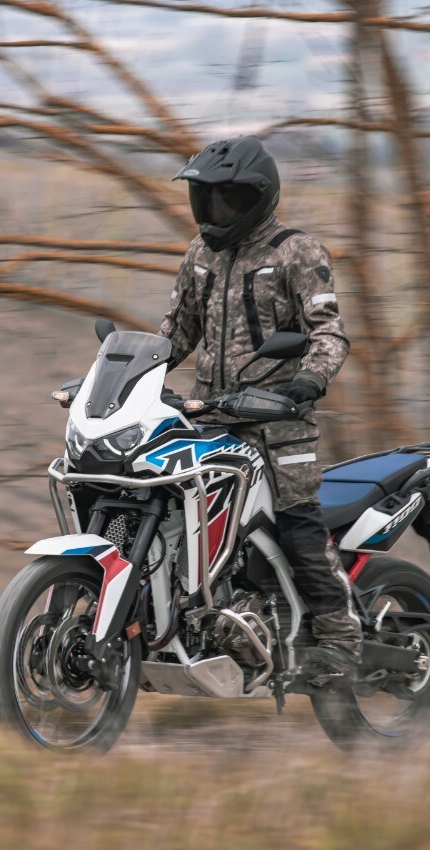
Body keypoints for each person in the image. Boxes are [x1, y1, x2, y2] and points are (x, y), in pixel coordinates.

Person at [158, 136, 361, 686]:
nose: (212, 211)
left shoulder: (298, 253)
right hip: (212, 421)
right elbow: (175, 334)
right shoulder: (200, 255)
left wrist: (307, 382)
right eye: (205, 199)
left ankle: (341, 639)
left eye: (225, 200)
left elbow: (329, 333)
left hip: (280, 426)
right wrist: (129, 371)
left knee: (297, 525)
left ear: (257, 196)